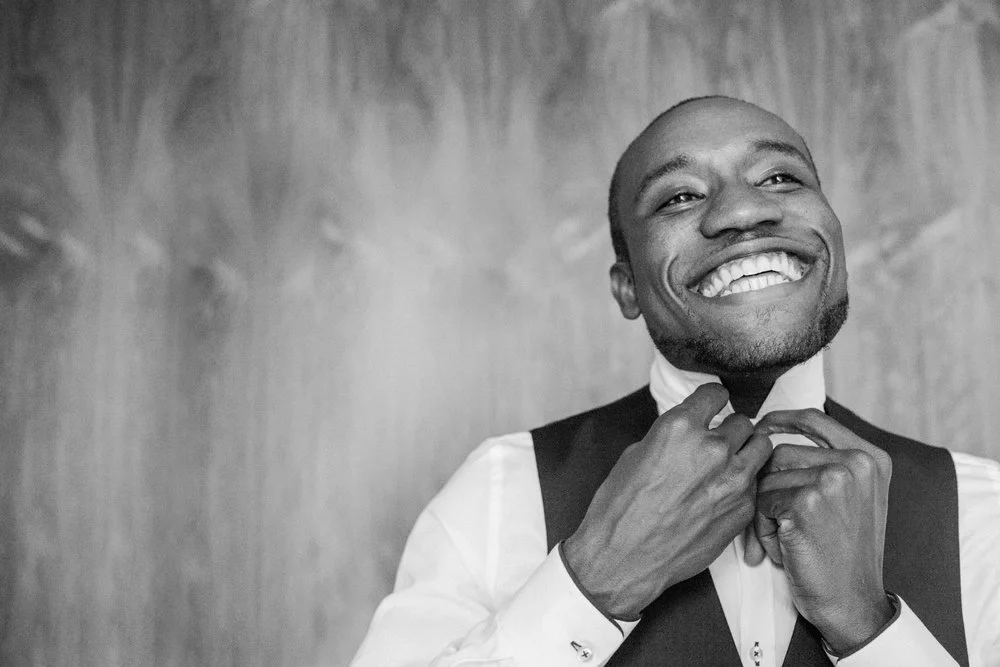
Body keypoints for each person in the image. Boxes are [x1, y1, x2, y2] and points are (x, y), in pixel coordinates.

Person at [351, 96, 1000, 666]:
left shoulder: (981, 512)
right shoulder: (503, 490)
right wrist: (596, 581)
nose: (744, 212)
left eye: (780, 176)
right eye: (680, 196)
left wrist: (870, 630)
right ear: (627, 287)